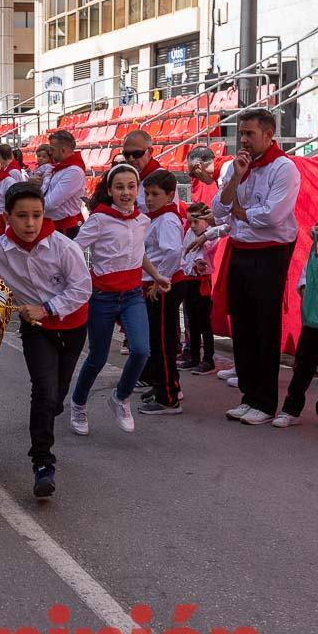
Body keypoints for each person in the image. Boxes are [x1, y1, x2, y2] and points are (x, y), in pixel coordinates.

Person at [0, 183, 91, 499]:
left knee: (56, 396)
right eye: (22, 216)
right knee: (43, 391)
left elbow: (82, 290)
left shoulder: (64, 248)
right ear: (6, 217)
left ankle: (50, 413)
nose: (30, 224)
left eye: (37, 215)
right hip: (36, 330)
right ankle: (43, 463)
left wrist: (48, 307)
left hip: (72, 326)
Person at [212, 109, 300, 427]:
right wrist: (236, 178)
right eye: (242, 133)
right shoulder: (236, 167)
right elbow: (218, 210)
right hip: (240, 250)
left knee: (265, 327)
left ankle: (265, 401)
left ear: (268, 134)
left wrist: (238, 210)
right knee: (244, 326)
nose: (244, 140)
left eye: (250, 133)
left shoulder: (283, 168)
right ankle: (249, 397)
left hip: (270, 253)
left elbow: (272, 216)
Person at [69, 164, 168, 435]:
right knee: (97, 357)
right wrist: (77, 281)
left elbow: (139, 254)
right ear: (110, 191)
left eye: (131, 187)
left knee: (141, 351)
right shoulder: (99, 219)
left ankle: (121, 397)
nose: (126, 192)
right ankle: (78, 403)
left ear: (137, 189)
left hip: (133, 295)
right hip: (102, 297)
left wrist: (156, 275)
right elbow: (75, 250)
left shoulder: (142, 220)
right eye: (120, 187)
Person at [273, 215, 318, 431]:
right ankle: (290, 409)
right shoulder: (314, 258)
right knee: (303, 366)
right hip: (313, 323)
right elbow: (303, 286)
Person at [138, 169, 185, 416]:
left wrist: (159, 281)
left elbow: (172, 252)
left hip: (163, 286)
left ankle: (169, 397)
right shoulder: (156, 217)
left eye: (155, 194)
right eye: (146, 193)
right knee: (156, 341)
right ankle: (162, 386)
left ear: (169, 195)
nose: (149, 199)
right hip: (155, 284)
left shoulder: (167, 219)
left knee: (163, 342)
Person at [177, 202, 227, 375]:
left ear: (207, 220)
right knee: (191, 321)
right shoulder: (189, 233)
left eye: (196, 221)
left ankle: (208, 359)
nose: (192, 225)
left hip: (202, 282)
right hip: (188, 281)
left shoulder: (211, 237)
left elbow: (202, 254)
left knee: (204, 322)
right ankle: (194, 356)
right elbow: (184, 254)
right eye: (190, 222)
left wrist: (198, 263)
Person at [41, 130, 87, 238]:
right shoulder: (62, 168)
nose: (50, 153)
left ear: (63, 150)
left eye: (52, 149)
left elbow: (51, 202)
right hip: (55, 225)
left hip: (64, 228)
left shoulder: (73, 171)